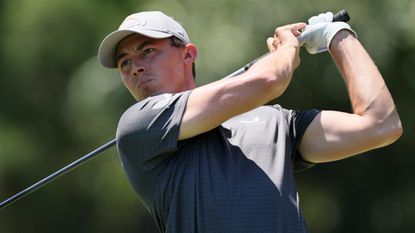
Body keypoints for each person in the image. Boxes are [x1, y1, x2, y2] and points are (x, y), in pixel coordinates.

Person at [98, 11, 402, 233]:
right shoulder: (138, 126)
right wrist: (286, 52)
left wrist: (337, 36)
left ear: (188, 54)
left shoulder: (275, 121)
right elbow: (271, 79)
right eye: (125, 63)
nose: (135, 68)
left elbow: (381, 125)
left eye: (147, 51)